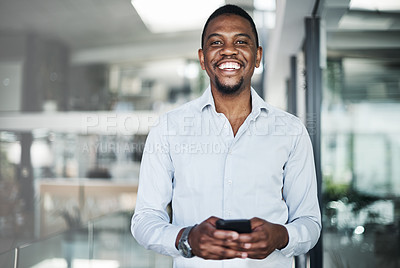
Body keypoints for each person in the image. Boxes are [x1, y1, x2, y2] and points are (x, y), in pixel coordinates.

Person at [131, 4, 321, 267]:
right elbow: (144, 219)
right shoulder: (168, 129)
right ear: (202, 58)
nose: (229, 50)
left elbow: (310, 223)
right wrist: (186, 238)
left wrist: (281, 235)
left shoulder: (291, 131)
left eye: (241, 41)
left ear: (257, 56)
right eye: (216, 42)